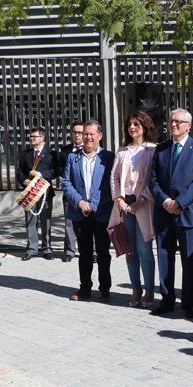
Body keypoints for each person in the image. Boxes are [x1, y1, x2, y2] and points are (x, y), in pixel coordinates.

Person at [149, 108, 193, 318]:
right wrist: (166, 201)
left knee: (188, 260)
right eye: (171, 121)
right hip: (164, 212)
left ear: (188, 126)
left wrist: (180, 203)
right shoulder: (161, 149)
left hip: (187, 212)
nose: (173, 125)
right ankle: (166, 300)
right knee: (164, 257)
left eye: (178, 122)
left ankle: (189, 303)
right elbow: (153, 180)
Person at [62, 120, 115, 302]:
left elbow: (111, 184)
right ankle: (85, 288)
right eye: (85, 133)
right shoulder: (73, 157)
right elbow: (66, 183)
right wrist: (80, 202)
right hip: (80, 213)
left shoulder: (108, 158)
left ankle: (105, 289)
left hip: (101, 213)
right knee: (84, 253)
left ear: (100, 135)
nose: (88, 137)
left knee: (103, 253)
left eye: (92, 134)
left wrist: (93, 203)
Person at [109, 112, 157, 307]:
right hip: (124, 205)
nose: (132, 127)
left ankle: (149, 289)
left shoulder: (153, 150)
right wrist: (119, 199)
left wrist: (141, 201)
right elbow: (115, 177)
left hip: (144, 204)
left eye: (136, 124)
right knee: (130, 249)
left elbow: (155, 179)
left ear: (145, 126)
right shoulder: (122, 151)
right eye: (130, 124)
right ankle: (135, 288)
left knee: (144, 249)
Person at [16, 126, 57, 260]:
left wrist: (40, 175)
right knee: (30, 221)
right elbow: (19, 172)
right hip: (30, 193)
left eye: (35, 137)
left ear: (42, 138)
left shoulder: (51, 153)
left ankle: (47, 248)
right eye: (31, 137)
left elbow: (54, 171)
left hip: (44, 192)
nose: (32, 139)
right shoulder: (26, 154)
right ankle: (32, 248)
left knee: (46, 221)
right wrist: (24, 181)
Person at [59, 122, 85, 263]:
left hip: (86, 194)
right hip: (70, 193)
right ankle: (69, 250)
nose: (77, 135)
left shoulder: (91, 149)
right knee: (69, 223)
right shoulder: (64, 151)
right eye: (75, 132)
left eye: (80, 132)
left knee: (89, 222)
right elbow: (59, 170)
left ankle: (90, 250)